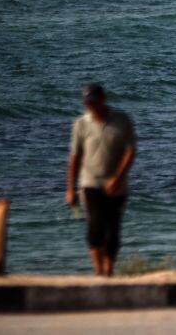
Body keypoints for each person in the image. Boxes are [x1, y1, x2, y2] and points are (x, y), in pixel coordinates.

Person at [65, 83, 137, 277]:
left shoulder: (121, 121)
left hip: (117, 185)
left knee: (113, 231)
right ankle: (99, 271)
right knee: (95, 227)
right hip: (90, 183)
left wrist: (118, 177)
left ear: (103, 100)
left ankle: (108, 268)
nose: (91, 107)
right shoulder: (81, 124)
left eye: (94, 102)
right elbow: (75, 157)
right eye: (88, 103)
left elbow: (130, 151)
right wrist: (70, 188)